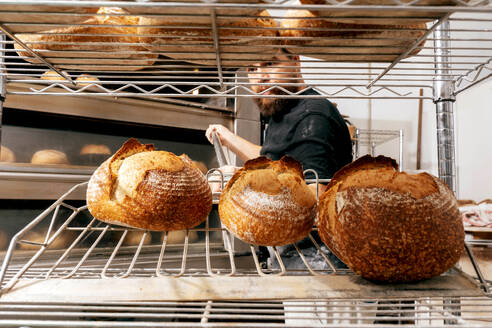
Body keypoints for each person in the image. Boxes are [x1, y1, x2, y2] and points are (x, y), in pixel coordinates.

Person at [205, 49, 353, 194]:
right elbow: (274, 163)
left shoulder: (312, 116)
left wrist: (244, 180)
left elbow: (316, 195)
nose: (260, 77)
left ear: (295, 61)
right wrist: (228, 139)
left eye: (269, 63)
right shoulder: (283, 109)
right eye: (252, 68)